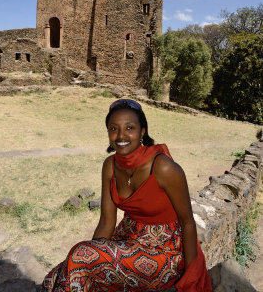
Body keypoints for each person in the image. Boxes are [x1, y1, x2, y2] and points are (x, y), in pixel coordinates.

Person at [41, 99, 212, 291]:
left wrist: (191, 277)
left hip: (164, 252)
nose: (121, 135)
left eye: (129, 127)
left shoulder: (163, 167)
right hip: (127, 239)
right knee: (55, 277)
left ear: (142, 132)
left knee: (79, 257)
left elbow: (187, 222)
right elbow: (107, 222)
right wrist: (95, 260)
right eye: (114, 128)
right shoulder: (110, 166)